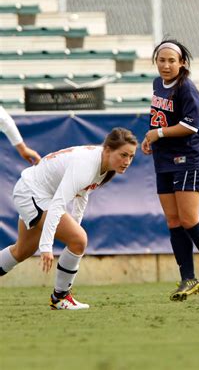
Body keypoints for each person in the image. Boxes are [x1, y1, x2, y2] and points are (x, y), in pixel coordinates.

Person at [0, 127, 138, 310]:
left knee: (22, 251)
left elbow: (83, 195)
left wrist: (75, 226)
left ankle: (60, 298)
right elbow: (58, 203)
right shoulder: (87, 164)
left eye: (131, 156)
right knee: (79, 240)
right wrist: (47, 246)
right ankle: (60, 298)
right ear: (107, 150)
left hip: (32, 191)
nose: (127, 161)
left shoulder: (105, 166)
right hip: (32, 194)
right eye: (123, 155)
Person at [141, 39, 199, 301]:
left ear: (182, 63)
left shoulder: (186, 88)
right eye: (161, 60)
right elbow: (160, 119)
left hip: (188, 159)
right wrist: (151, 138)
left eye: (171, 60)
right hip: (164, 159)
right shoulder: (158, 84)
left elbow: (190, 126)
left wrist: (157, 133)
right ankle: (188, 278)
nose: (165, 65)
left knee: (189, 219)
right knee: (173, 221)